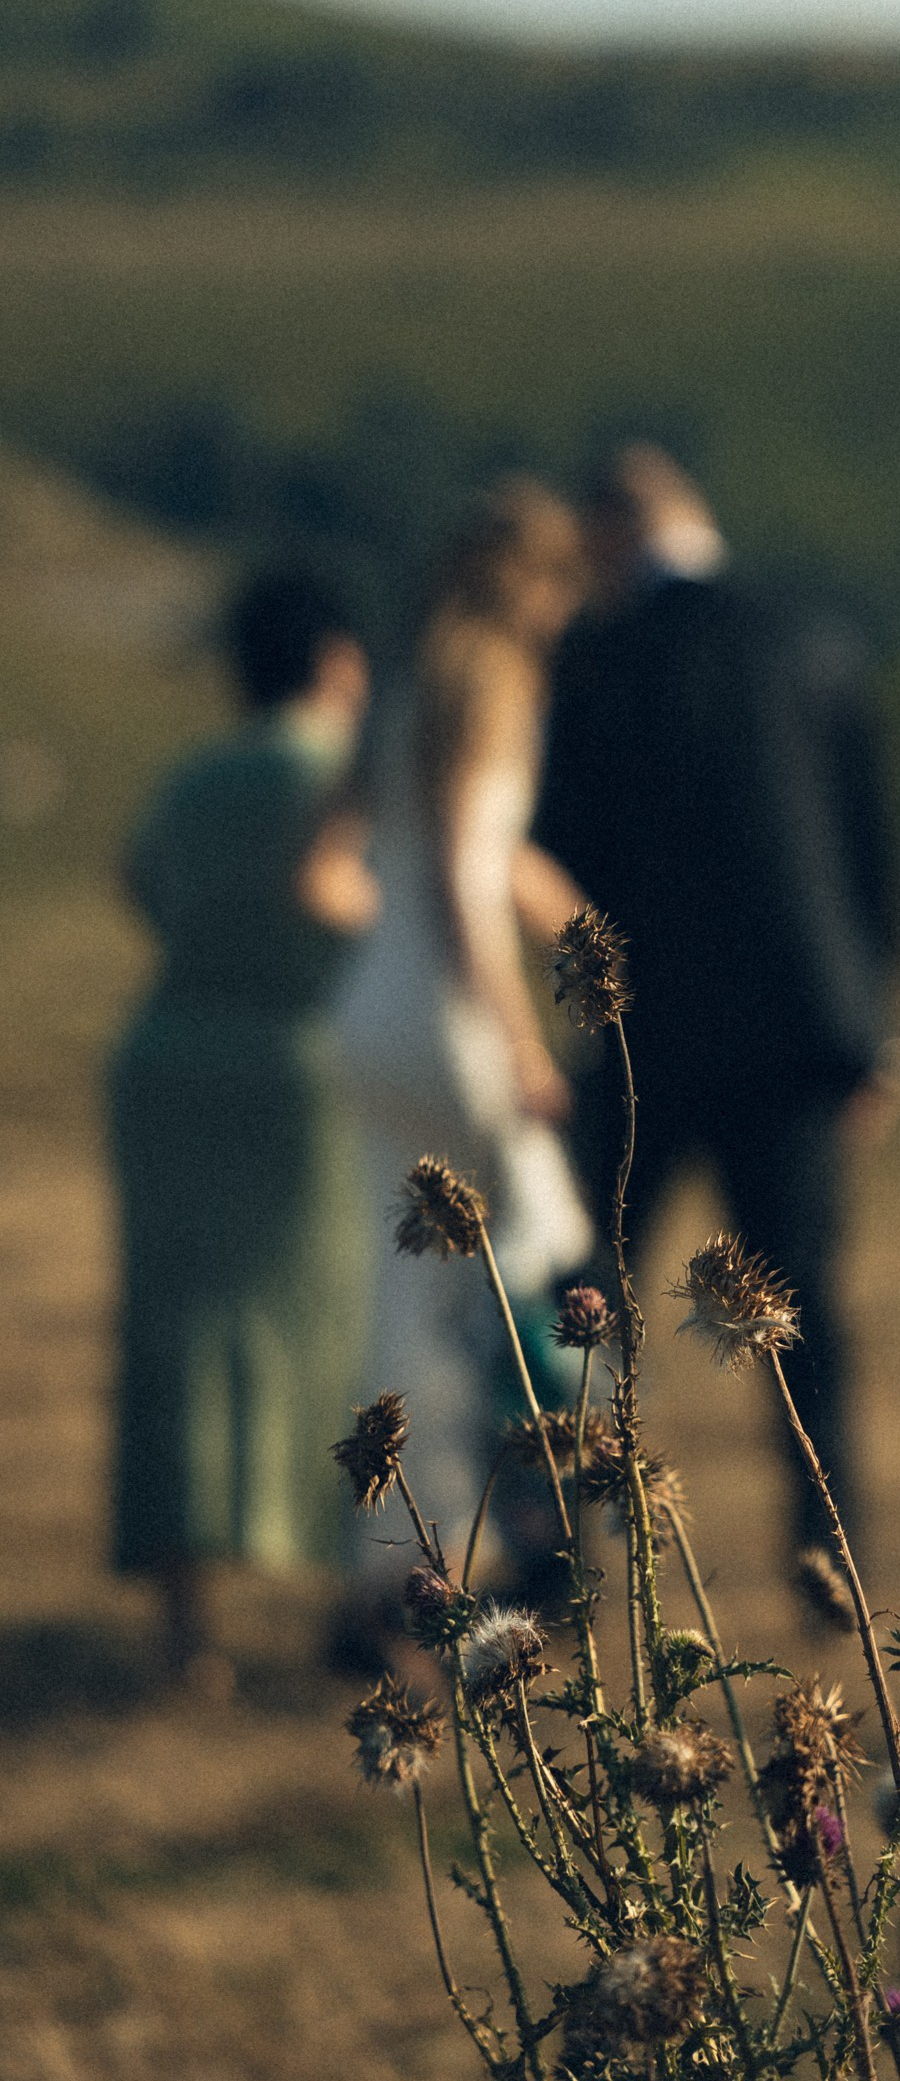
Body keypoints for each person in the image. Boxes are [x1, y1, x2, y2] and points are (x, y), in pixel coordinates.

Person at [532, 445, 900, 1571]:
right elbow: (870, 853)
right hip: (798, 1036)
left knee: (590, 1293)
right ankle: (831, 1541)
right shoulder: (817, 638)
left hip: (641, 1036)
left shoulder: (595, 659)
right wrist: (873, 1028)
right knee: (799, 1304)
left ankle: (574, 1544)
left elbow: (565, 850)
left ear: (607, 536)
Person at [111, 566, 379, 1688]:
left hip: (170, 1058)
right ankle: (354, 1595)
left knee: (176, 1335)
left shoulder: (195, 776)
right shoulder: (340, 774)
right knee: (331, 1326)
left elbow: (145, 884)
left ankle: (189, 1630)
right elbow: (375, 912)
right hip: (294, 1068)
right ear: (331, 659)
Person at [333, 480, 593, 1597]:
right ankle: (550, 1523)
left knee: (405, 1296)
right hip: (448, 1018)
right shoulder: (494, 678)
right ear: (541, 579)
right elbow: (463, 871)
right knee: (530, 1250)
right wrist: (523, 1041)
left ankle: (396, 1563)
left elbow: (346, 853)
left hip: (368, 1009)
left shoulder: (404, 679)